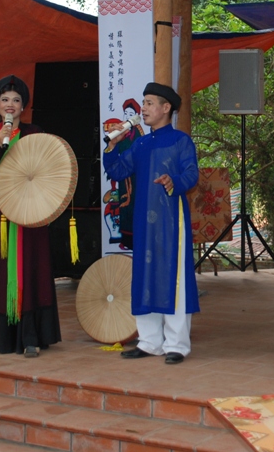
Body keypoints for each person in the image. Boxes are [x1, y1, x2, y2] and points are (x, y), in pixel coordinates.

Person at [104, 83, 200, 364]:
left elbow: (191, 175)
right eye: (143, 104)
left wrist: (174, 182)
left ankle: (177, 345)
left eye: (148, 103)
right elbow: (120, 170)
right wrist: (111, 148)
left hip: (172, 221)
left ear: (165, 107)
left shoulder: (181, 141)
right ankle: (149, 342)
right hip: (144, 222)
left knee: (175, 279)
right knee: (145, 277)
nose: (143, 109)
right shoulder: (141, 143)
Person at [0, 75, 61, 357]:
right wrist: (1, 145)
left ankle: (31, 336)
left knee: (31, 268)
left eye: (16, 100)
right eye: (4, 100)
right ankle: (4, 337)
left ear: (23, 107)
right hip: (1, 211)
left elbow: (48, 167)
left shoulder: (35, 131)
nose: (10, 105)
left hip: (32, 209)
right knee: (2, 271)